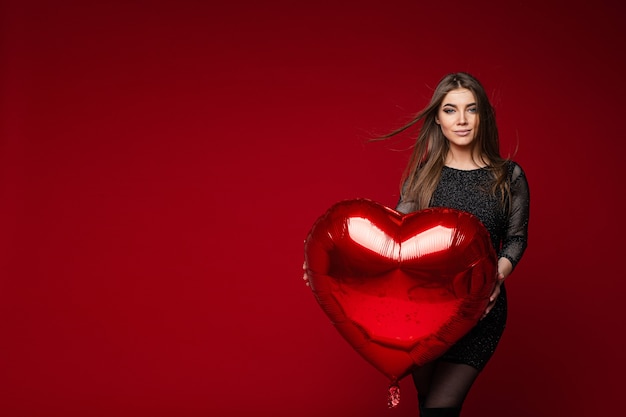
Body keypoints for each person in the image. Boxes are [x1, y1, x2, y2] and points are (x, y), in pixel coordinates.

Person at [384, 72, 530, 416]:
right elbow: (394, 238)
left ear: (483, 116)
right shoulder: (422, 177)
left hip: (481, 312)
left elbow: (516, 238)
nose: (461, 120)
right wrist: (340, 264)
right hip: (424, 312)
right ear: (438, 117)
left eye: (471, 109)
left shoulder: (508, 176)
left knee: (439, 409)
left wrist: (497, 274)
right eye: (450, 110)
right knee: (427, 405)